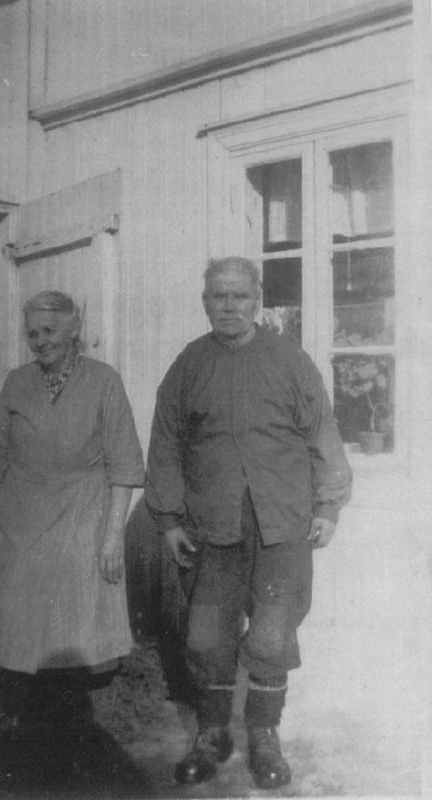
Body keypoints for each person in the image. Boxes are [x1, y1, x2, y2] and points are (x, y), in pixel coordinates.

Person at [145, 257, 352, 789]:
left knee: (272, 632)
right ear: (205, 302)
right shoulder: (189, 365)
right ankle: (212, 734)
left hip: (280, 524)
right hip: (211, 525)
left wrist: (328, 506)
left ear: (257, 300)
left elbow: (323, 434)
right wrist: (168, 520)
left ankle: (264, 735)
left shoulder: (289, 360)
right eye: (219, 296)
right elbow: (164, 446)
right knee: (207, 636)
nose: (230, 305)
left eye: (240, 295)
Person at [0, 290, 144, 732]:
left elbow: (124, 465)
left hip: (82, 513)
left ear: (74, 328)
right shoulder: (16, 382)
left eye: (49, 330)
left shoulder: (104, 380)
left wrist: (112, 536)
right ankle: (26, 716)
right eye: (32, 333)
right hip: (20, 516)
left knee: (71, 618)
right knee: (19, 616)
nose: (40, 341)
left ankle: (66, 716)